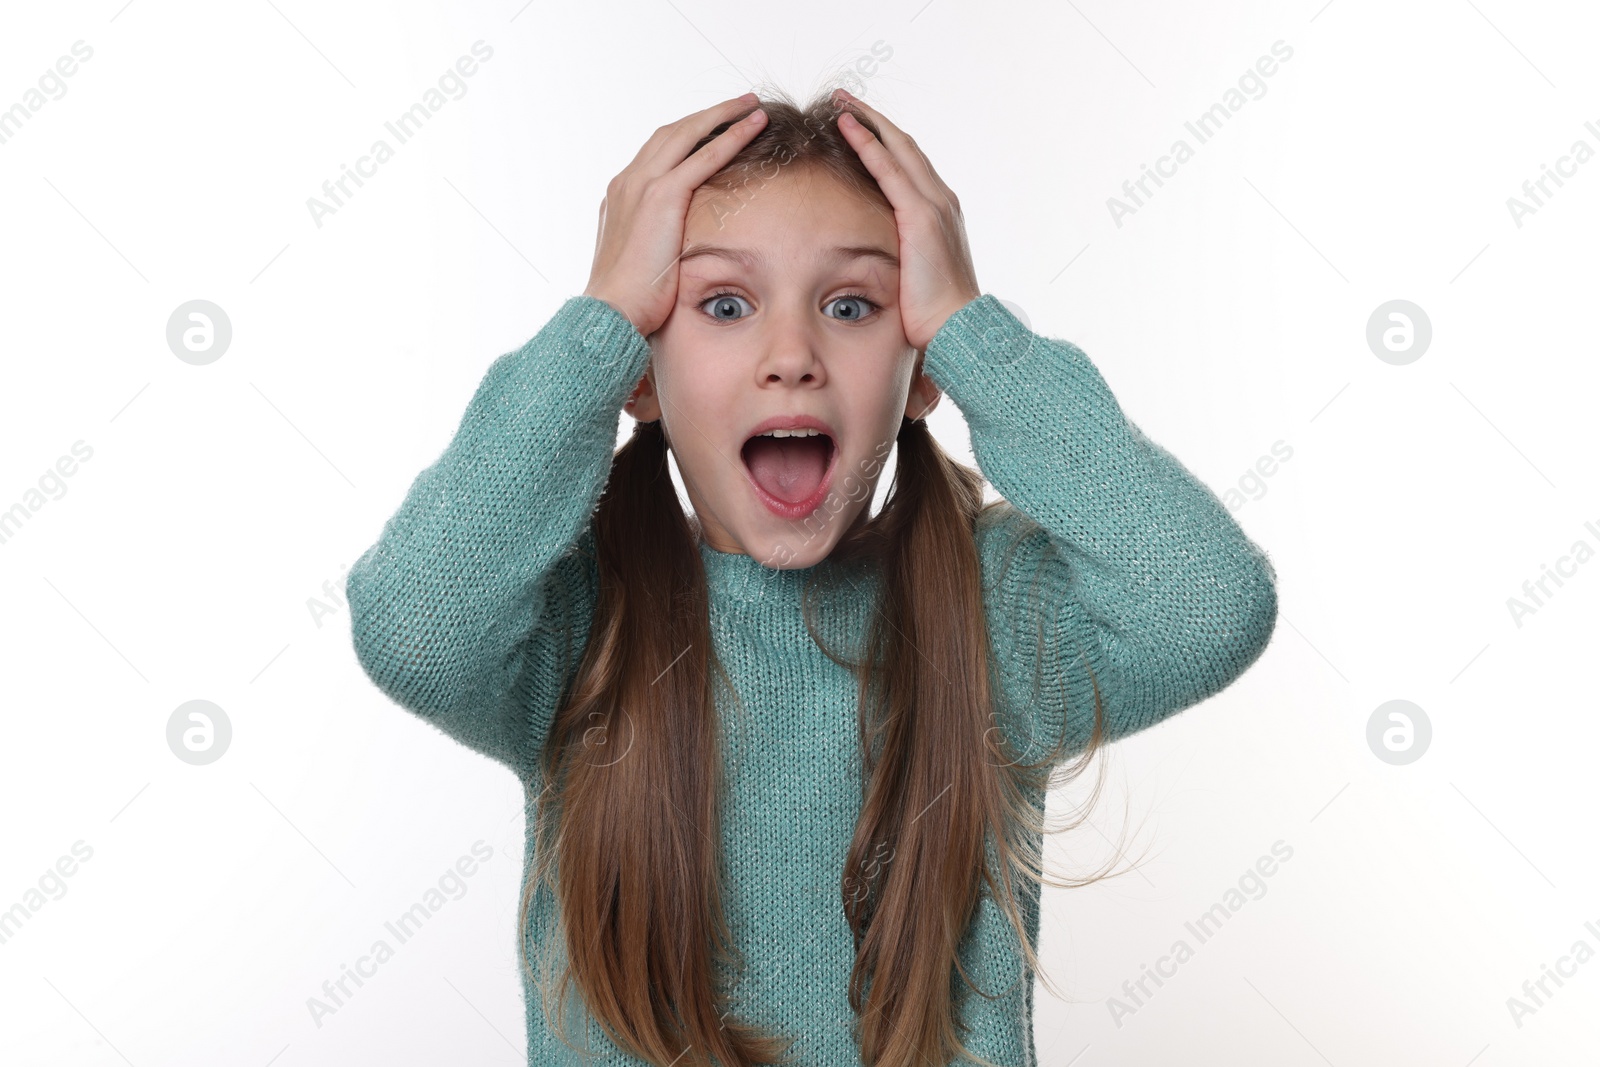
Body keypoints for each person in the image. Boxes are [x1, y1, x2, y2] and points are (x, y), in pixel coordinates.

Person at [345, 84, 1278, 1067]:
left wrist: (972, 332)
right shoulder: (577, 622)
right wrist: (598, 324)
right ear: (637, 372)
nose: (790, 356)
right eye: (723, 304)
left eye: (850, 305)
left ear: (921, 375)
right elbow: (413, 621)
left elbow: (1207, 603)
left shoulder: (992, 615)